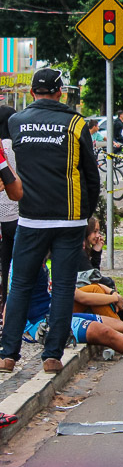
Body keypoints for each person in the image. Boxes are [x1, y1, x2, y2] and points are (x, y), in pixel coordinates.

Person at [0, 68, 98, 375]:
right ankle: (52, 355)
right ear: (60, 92)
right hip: (68, 219)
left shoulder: (16, 122)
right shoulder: (75, 123)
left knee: (20, 286)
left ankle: (7, 354)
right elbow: (91, 175)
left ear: (31, 93)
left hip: (30, 218)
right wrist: (85, 216)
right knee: (64, 287)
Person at [21, 263, 123, 357]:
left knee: (119, 325)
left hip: (59, 313)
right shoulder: (26, 261)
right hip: (43, 323)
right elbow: (13, 298)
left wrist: (111, 293)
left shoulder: (51, 258)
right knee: (105, 332)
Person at [0, 106, 18, 314]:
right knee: (12, 262)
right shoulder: (12, 146)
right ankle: (8, 305)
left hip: (5, 212)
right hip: (12, 212)